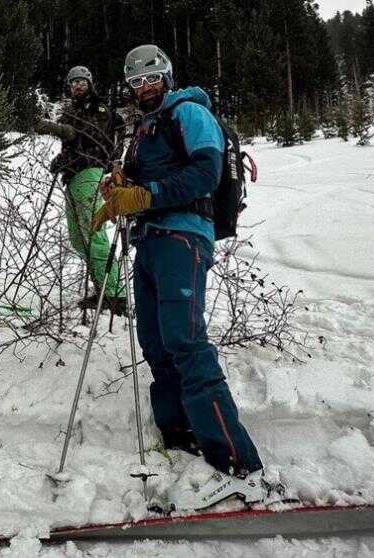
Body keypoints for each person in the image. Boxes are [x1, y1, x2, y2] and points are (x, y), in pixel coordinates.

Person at [93, 45, 265, 510]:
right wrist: (117, 188)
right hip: (149, 241)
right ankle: (181, 431)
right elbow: (137, 182)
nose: (143, 88)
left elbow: (206, 174)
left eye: (151, 80)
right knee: (156, 340)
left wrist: (144, 197)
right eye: (135, 83)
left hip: (183, 236)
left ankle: (239, 467)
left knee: (186, 343)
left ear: (166, 78)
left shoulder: (189, 112)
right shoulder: (144, 129)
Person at [43, 66, 126, 315]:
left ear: (90, 83)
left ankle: (115, 295)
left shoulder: (98, 108)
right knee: (79, 239)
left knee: (94, 233)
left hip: (90, 173)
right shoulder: (73, 109)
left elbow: (90, 137)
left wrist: (56, 129)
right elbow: (73, 144)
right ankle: (103, 287)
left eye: (82, 82)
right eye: (74, 83)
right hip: (74, 176)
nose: (78, 86)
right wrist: (62, 159)